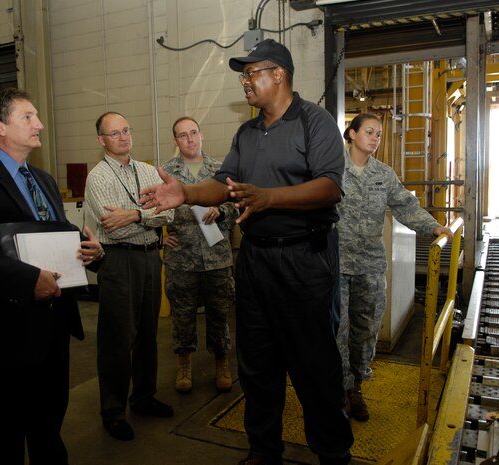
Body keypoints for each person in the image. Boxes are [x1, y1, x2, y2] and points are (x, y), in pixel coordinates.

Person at [140, 39, 353, 465]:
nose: (245, 82)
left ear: (278, 74)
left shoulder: (315, 122)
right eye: (243, 75)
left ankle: (332, 454)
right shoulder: (247, 131)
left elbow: (330, 186)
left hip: (304, 259)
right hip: (255, 259)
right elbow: (224, 184)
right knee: (256, 362)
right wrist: (185, 193)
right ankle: (263, 451)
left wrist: (269, 198)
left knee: (314, 365)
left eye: (252, 73)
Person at [0, 87, 104, 465]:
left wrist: (90, 251)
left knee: (49, 420)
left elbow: (54, 231)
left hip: (53, 322)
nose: (39, 124)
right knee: (5, 423)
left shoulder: (44, 180)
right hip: (4, 326)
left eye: (36, 116)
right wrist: (28, 280)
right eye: (27, 117)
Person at [336, 113, 453, 422]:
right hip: (336, 267)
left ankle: (356, 387)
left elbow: (406, 206)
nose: (375, 137)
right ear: (351, 133)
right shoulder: (332, 170)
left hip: (371, 267)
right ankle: (339, 389)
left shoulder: (383, 174)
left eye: (378, 133)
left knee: (366, 331)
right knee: (337, 332)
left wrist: (434, 227)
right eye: (369, 132)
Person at [84, 111, 175, 442]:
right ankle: (113, 411)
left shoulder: (149, 170)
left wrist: (136, 213)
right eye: (114, 133)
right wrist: (151, 214)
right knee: (117, 340)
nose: (123, 137)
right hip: (119, 261)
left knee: (148, 334)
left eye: (126, 130)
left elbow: (172, 210)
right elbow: (111, 222)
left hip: (151, 258)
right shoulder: (98, 178)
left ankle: (143, 397)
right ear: (101, 141)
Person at [161, 116, 238, 394]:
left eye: (193, 133)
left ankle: (221, 362)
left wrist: (223, 211)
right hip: (182, 258)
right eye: (183, 135)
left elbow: (237, 207)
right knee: (182, 314)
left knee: (219, 313)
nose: (190, 139)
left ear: (202, 135)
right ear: (175, 141)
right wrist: (160, 237)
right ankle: (184, 364)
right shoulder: (166, 173)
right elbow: (151, 210)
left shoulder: (220, 171)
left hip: (217, 257)